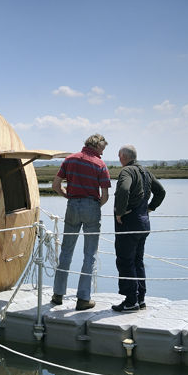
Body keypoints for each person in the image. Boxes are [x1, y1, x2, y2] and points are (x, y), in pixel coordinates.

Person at [51, 133, 111, 310]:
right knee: (89, 254)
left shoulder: (69, 160)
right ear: (96, 146)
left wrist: (68, 196)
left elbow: (55, 185)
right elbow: (106, 195)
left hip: (72, 205)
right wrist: (94, 205)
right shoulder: (100, 164)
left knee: (66, 251)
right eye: (103, 148)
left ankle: (58, 294)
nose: (103, 152)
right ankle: (83, 298)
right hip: (91, 206)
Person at [112, 145, 165, 312]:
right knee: (138, 260)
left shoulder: (127, 171)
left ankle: (130, 301)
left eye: (119, 156)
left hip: (128, 223)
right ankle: (140, 299)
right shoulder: (146, 172)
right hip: (143, 223)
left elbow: (124, 189)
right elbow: (161, 191)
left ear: (123, 157)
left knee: (125, 260)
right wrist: (150, 208)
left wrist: (120, 212)